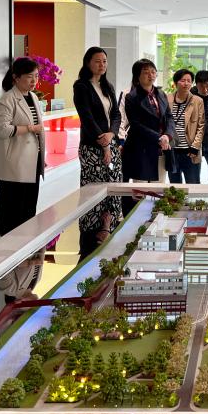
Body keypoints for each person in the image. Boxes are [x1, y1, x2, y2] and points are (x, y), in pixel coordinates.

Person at [73, 47, 122, 259]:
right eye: (97, 61)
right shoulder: (81, 86)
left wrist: (111, 134)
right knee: (95, 185)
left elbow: (116, 114)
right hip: (92, 146)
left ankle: (108, 223)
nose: (102, 65)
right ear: (88, 63)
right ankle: (92, 228)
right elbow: (86, 117)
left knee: (113, 183)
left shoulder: (107, 86)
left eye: (104, 61)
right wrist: (103, 142)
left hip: (111, 142)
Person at [0, 57, 47, 236]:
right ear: (15, 77)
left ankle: (25, 244)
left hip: (32, 161)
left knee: (28, 208)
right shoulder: (6, 100)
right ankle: (9, 245)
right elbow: (1, 129)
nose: (34, 81)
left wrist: (41, 156)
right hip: (14, 163)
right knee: (12, 210)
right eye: (29, 76)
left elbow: (39, 130)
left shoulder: (33, 97)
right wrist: (28, 128)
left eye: (36, 76)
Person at [123, 59, 175, 184]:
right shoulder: (131, 97)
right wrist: (158, 137)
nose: (151, 75)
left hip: (162, 147)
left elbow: (169, 117)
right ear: (137, 76)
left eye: (153, 71)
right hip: (141, 148)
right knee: (140, 188)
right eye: (146, 72)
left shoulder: (161, 94)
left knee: (159, 187)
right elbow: (136, 124)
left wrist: (167, 136)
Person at [167, 69, 205, 184]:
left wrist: (195, 147)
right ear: (176, 82)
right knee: (174, 186)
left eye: (189, 81)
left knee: (193, 185)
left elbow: (201, 126)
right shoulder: (167, 99)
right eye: (183, 80)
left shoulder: (197, 101)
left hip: (190, 151)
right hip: (172, 151)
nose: (186, 83)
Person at [191, 69, 208, 163]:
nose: (205, 90)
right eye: (201, 86)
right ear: (196, 84)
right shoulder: (191, 96)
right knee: (195, 166)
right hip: (195, 138)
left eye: (207, 86)